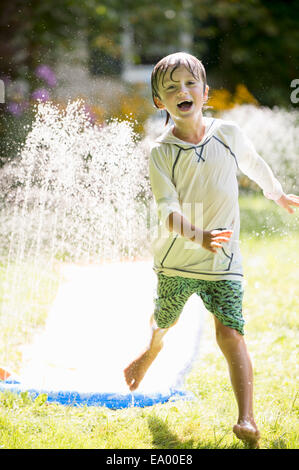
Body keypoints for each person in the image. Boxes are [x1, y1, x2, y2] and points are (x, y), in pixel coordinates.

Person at [123, 52, 299, 448]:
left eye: (189, 84)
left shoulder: (229, 134)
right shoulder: (161, 152)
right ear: (159, 103)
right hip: (178, 260)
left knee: (231, 332)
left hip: (224, 260)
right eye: (170, 89)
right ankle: (151, 349)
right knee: (164, 322)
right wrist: (198, 235)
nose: (181, 92)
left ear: (205, 93)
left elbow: (253, 163)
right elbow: (167, 210)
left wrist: (277, 195)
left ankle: (247, 419)